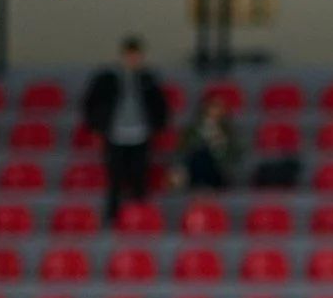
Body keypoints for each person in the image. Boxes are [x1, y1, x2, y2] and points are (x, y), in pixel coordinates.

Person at [81, 35, 170, 223]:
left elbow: (160, 104)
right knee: (115, 179)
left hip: (140, 135)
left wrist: (158, 125)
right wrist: (96, 126)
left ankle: (140, 217)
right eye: (130, 55)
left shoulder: (148, 79)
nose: (133, 59)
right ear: (123, 55)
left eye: (136, 55)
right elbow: (91, 102)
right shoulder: (107, 78)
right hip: (115, 135)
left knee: (139, 177)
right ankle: (112, 218)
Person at [176, 84, 242, 191]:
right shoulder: (193, 129)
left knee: (208, 157)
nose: (218, 110)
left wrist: (221, 143)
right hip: (195, 168)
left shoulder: (228, 130)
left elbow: (235, 154)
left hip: (219, 169)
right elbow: (183, 149)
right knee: (201, 155)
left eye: (221, 106)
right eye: (214, 106)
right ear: (206, 107)